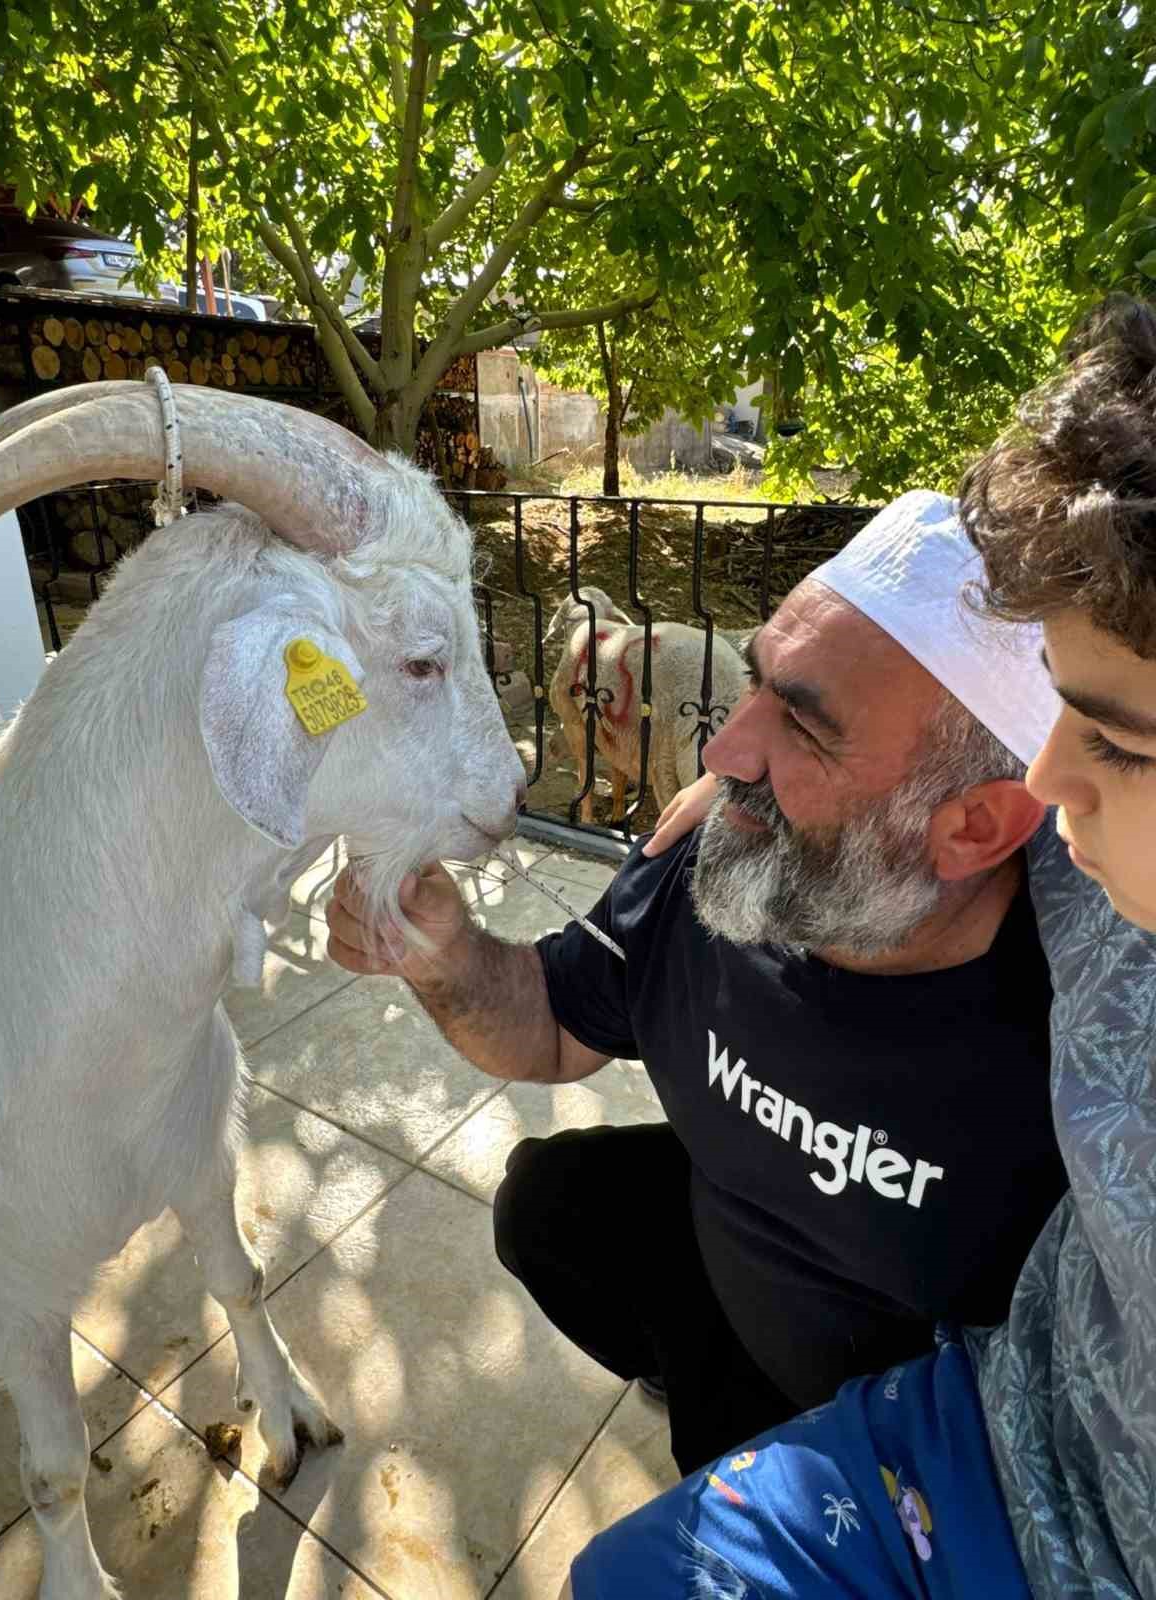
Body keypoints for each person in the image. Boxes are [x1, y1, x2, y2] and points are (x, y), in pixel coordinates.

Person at [555, 293, 1156, 1600]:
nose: (1052, 786)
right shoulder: (1078, 869)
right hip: (977, 1447)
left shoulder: (1043, 886)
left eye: (1109, 736)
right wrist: (756, 788)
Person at [327, 488, 1068, 1477]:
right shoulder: (726, 851)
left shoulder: (1087, 1049)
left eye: (801, 727)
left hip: (911, 1447)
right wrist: (448, 956)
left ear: (975, 826)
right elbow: (549, 1022)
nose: (722, 752)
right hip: (728, 1286)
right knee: (545, 1204)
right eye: (759, 682)